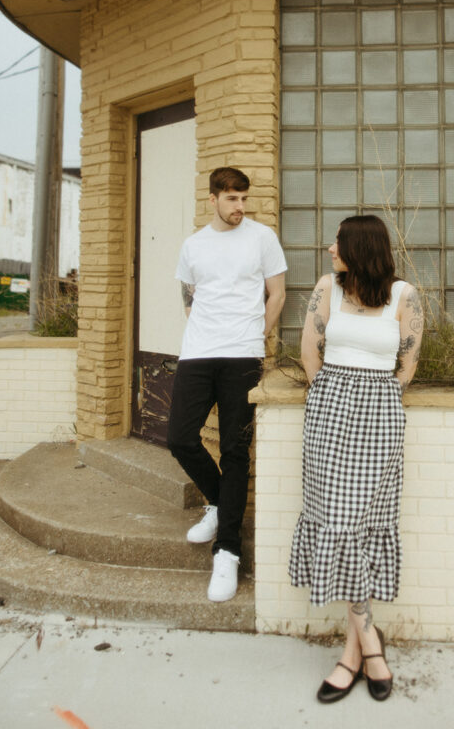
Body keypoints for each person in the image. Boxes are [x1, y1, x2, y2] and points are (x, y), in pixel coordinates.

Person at [289, 214, 423, 703]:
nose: (329, 248)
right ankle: (367, 645)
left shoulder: (405, 296)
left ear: (360, 248)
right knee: (340, 525)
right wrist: (331, 395)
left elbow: (406, 365)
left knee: (362, 528)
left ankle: (353, 653)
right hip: (328, 415)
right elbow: (310, 351)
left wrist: (375, 400)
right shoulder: (328, 288)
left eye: (338, 242)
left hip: (380, 420)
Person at [168, 167, 287, 602]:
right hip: (198, 352)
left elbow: (277, 293)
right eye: (232, 199)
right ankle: (220, 504)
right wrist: (205, 333)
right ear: (213, 198)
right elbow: (189, 296)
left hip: (243, 353)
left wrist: (257, 338)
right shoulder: (193, 245)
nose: (239, 207)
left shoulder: (262, 238)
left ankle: (229, 551)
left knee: (236, 450)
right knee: (180, 438)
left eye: (243, 199)